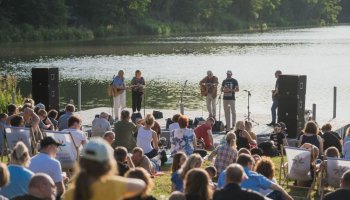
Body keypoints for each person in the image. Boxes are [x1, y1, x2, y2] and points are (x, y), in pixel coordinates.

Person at [62, 138, 145, 200]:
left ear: (82, 162)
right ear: (108, 163)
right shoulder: (113, 185)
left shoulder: (71, 193)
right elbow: (141, 184)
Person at [217, 154, 293, 200]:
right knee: (278, 192)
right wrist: (287, 196)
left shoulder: (223, 174)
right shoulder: (254, 177)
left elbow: (218, 188)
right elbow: (275, 186)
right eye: (252, 165)